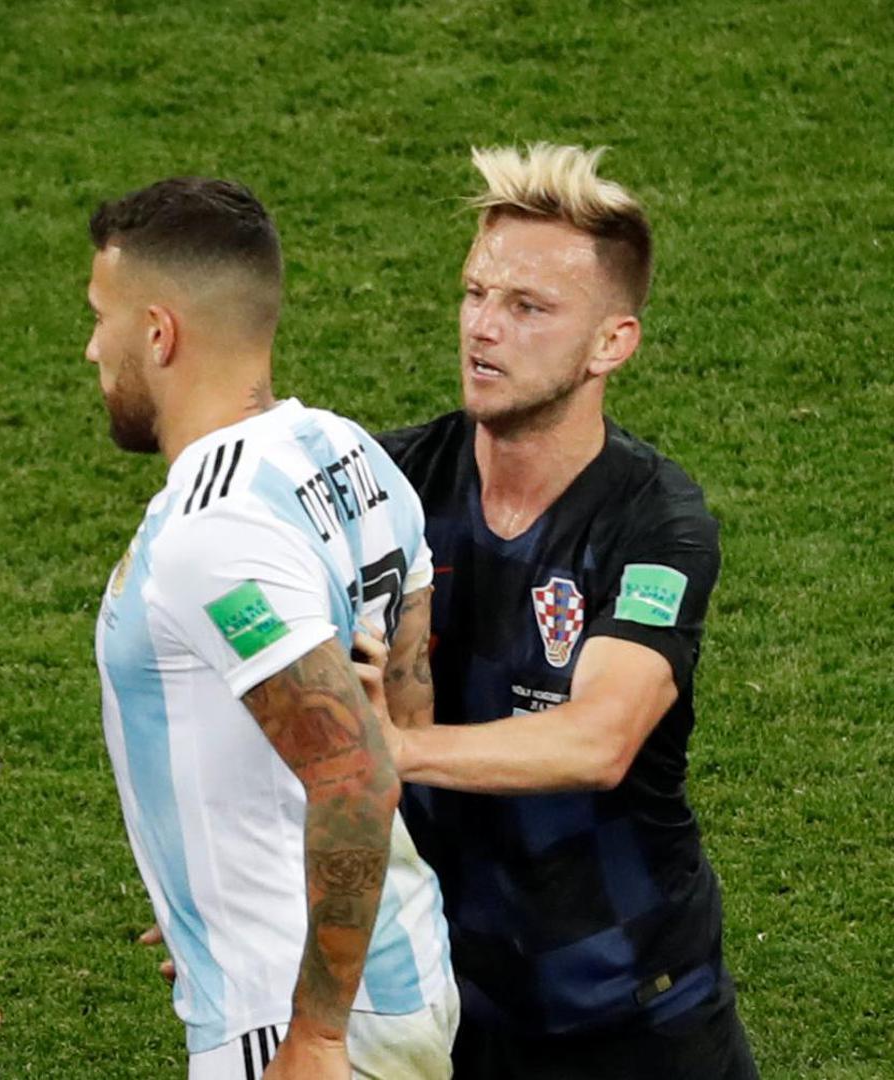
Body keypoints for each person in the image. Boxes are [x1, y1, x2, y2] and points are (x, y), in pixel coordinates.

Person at [372, 143, 758, 1078]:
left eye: (528, 307)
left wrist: (395, 749)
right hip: (456, 1007)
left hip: (639, 1014)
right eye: (476, 293)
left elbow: (599, 740)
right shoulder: (387, 487)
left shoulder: (654, 521)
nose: (482, 328)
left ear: (610, 344)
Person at [86, 177, 457, 1080]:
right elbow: (406, 717)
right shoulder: (350, 453)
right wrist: (210, 898)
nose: (92, 347)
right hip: (401, 970)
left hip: (297, 1016)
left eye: (100, 318)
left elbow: (358, 773)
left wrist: (316, 1033)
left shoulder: (214, 531)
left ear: (159, 333)